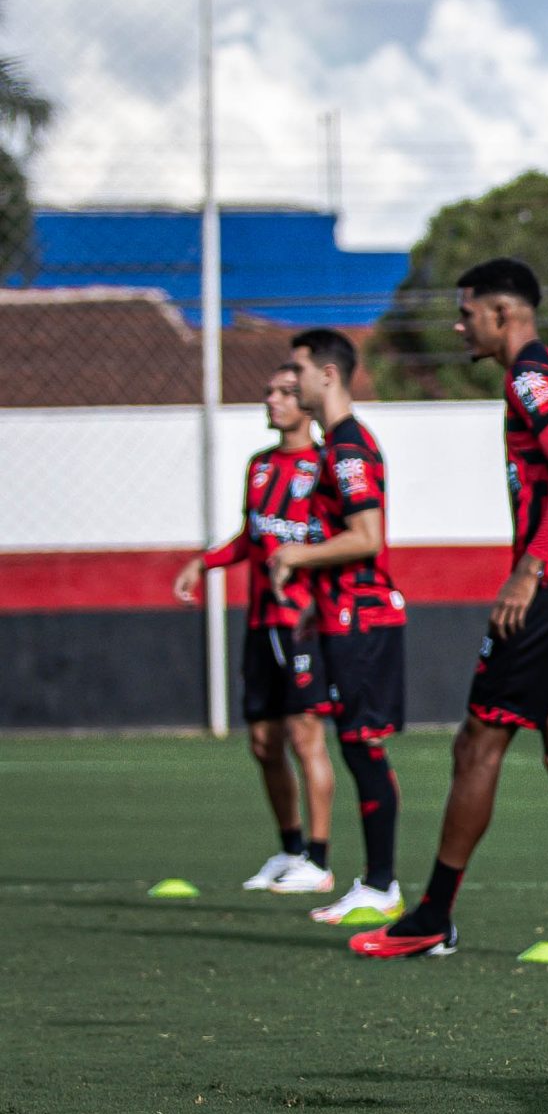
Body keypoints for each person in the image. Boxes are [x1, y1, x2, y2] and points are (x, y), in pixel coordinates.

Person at [348, 258, 548, 966]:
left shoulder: (528, 376)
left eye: (467, 313)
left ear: (502, 313)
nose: (459, 326)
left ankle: (429, 917)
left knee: (476, 744)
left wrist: (527, 571)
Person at [172, 366, 336, 894]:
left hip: (303, 626)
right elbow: (251, 537)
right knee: (264, 743)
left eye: (284, 392)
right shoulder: (260, 467)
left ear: (307, 403)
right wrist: (205, 562)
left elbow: (344, 541)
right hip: (260, 623)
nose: (271, 400)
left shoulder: (325, 467)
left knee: (304, 736)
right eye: (269, 391)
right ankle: (289, 850)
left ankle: (319, 858)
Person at [270, 329, 408, 926]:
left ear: (327, 374)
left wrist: (293, 557)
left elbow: (368, 536)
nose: (290, 381)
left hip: (365, 621)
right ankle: (375, 881)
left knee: (363, 748)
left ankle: (381, 884)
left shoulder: (349, 446)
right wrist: (311, 606)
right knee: (354, 749)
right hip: (338, 617)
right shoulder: (334, 445)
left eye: (297, 370)